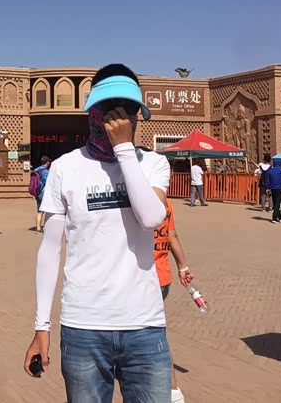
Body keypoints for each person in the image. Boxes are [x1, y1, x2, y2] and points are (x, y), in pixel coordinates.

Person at [24, 64, 172, 402]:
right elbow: (50, 250)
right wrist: (42, 326)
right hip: (84, 327)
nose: (120, 119)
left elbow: (151, 217)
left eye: (129, 109)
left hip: (144, 326)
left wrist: (124, 151)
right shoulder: (65, 168)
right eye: (110, 109)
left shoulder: (152, 164)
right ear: (92, 112)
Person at [153, 199, 193, 403]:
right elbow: (172, 235)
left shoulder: (134, 199)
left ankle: (172, 389)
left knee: (152, 335)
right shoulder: (165, 202)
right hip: (163, 278)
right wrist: (183, 267)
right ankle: (173, 390)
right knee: (154, 331)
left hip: (144, 280)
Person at [265, 160, 281, 224]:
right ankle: (274, 217)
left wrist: (267, 187)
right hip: (279, 188)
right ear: (280, 163)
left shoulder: (270, 170)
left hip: (272, 188)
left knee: (276, 202)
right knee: (278, 203)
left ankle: (279, 216)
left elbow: (267, 180)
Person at [33, 155, 51, 233]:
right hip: (44, 193)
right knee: (47, 210)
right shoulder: (45, 172)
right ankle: (46, 226)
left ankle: (38, 227)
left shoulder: (36, 170)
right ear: (47, 162)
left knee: (39, 211)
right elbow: (48, 182)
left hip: (37, 192)